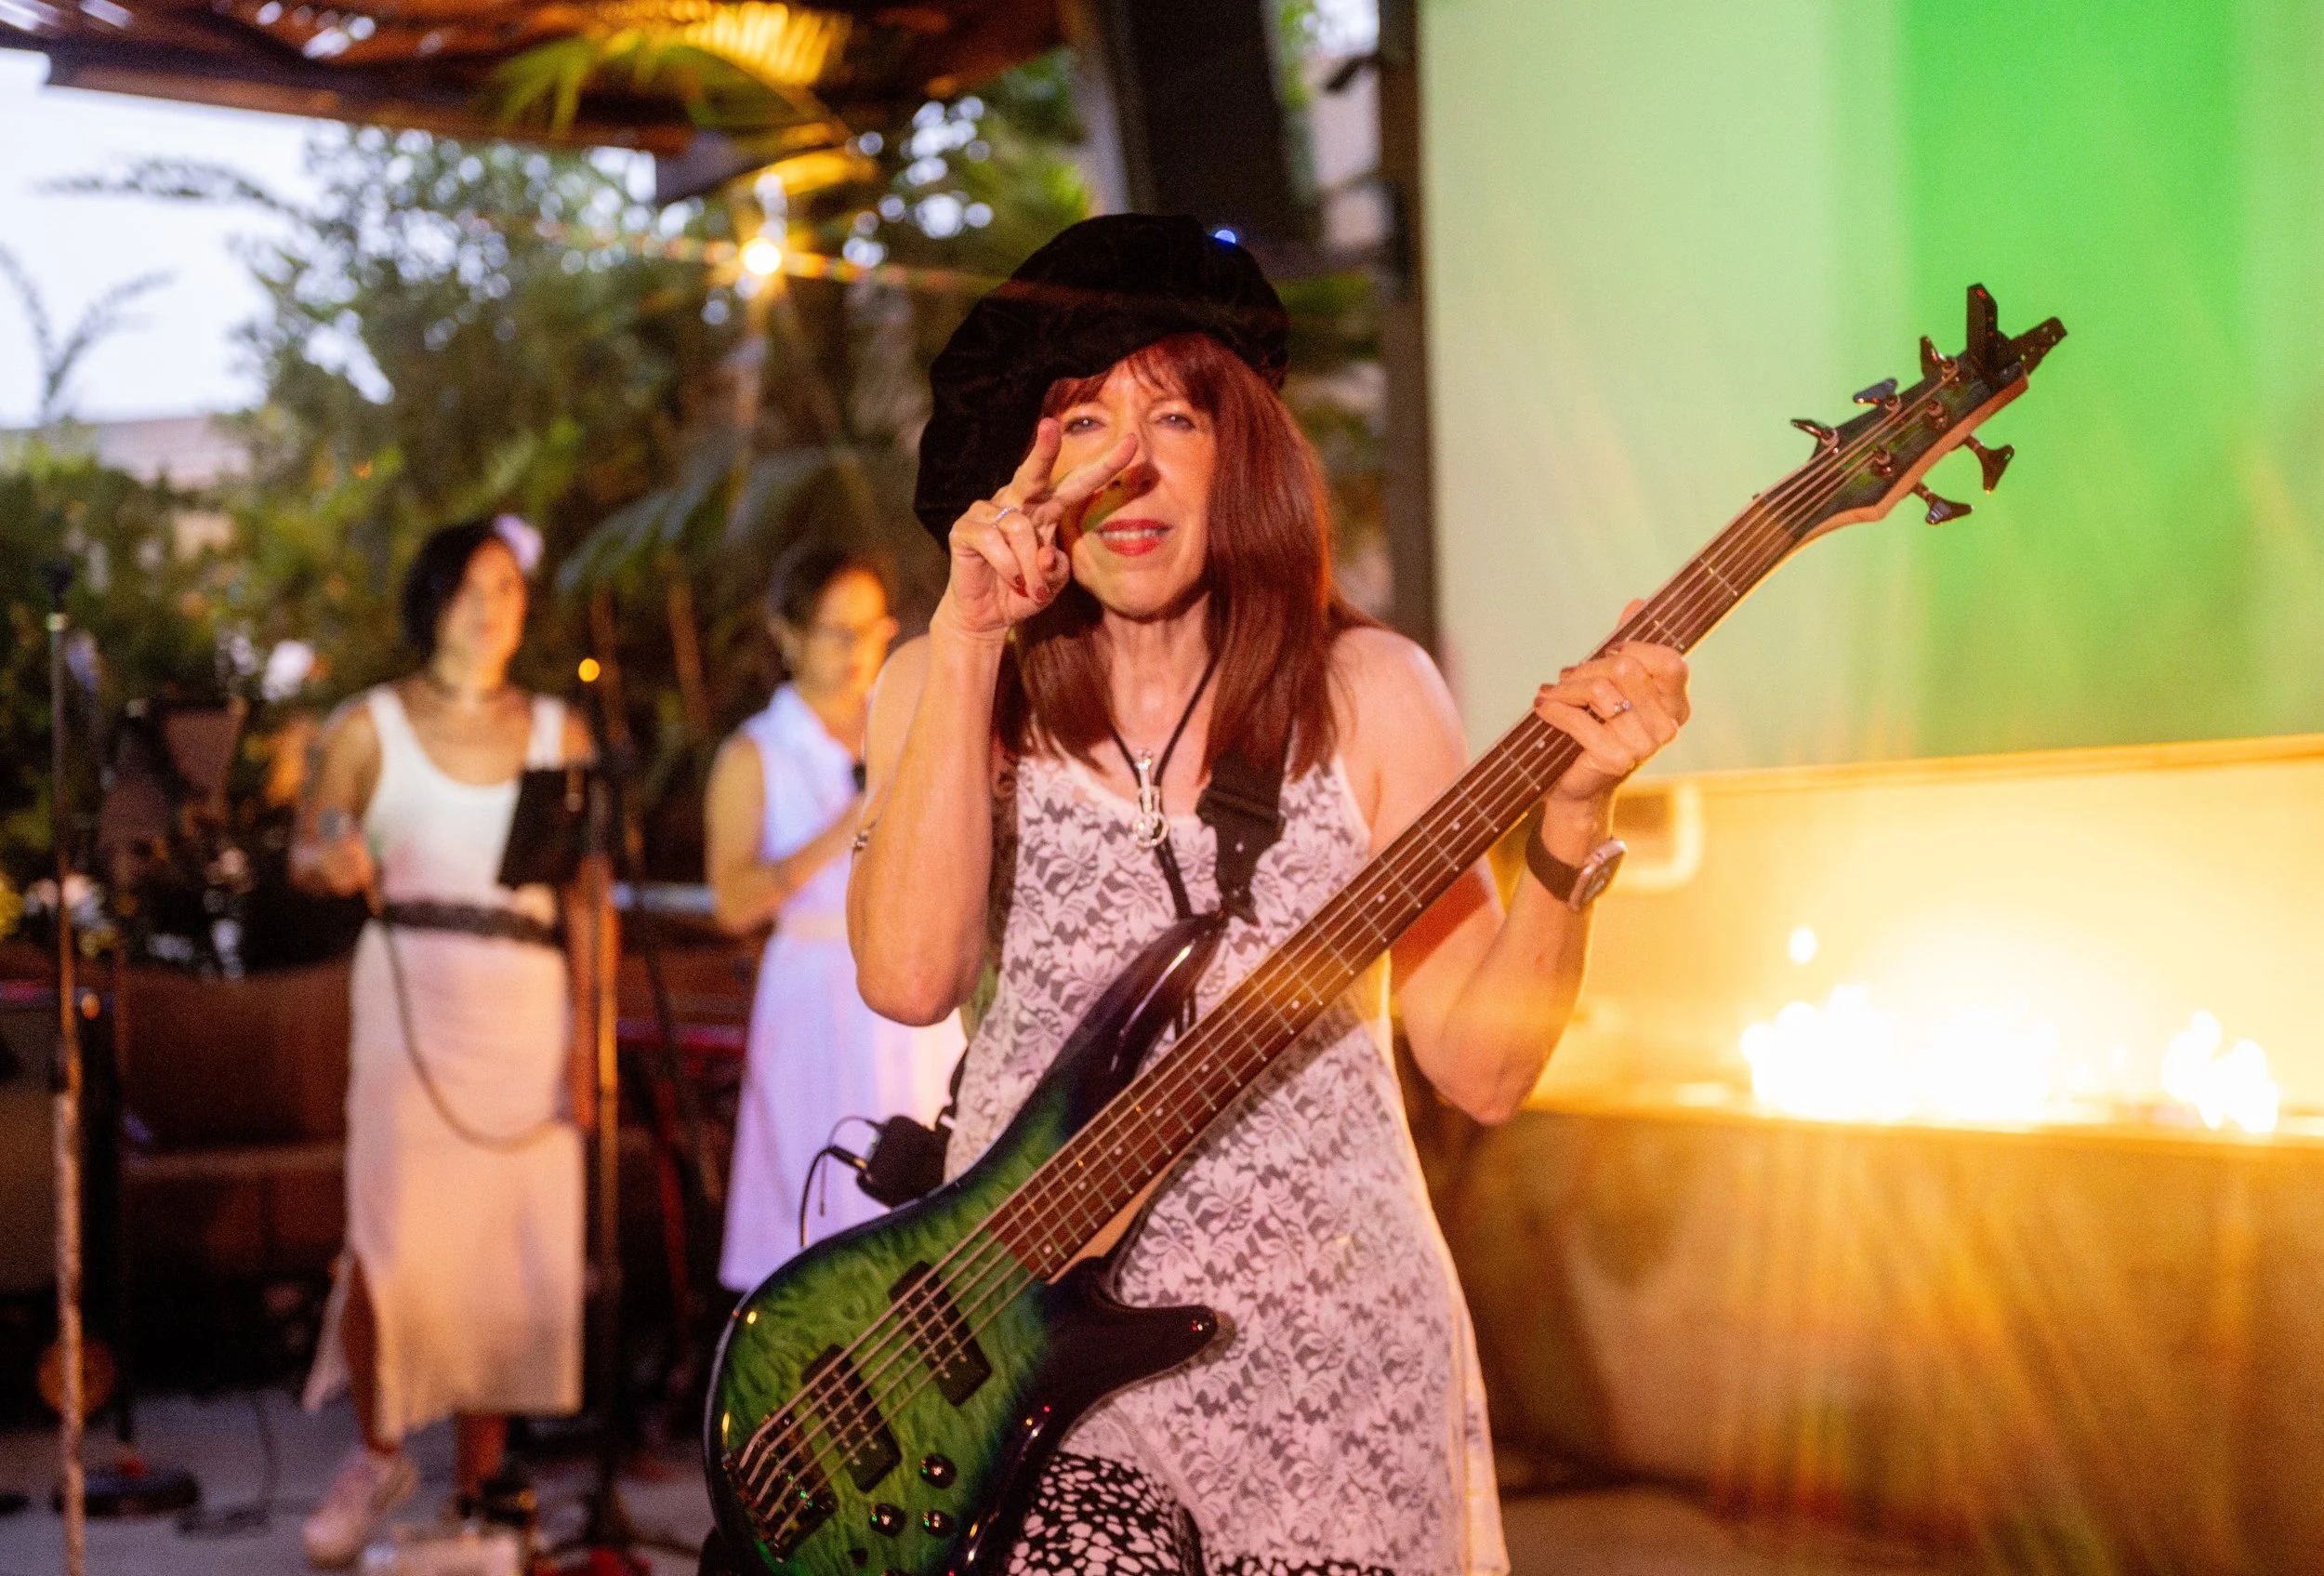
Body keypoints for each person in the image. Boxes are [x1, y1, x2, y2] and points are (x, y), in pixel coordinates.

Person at [849, 217, 1692, 1576]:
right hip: (1039, 1372)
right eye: (1083, 420)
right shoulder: (941, 685)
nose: (1127, 463)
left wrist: (1571, 826)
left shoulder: (1370, 692)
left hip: (1334, 1368)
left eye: (1175, 417)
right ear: (1027, 466)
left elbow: (1482, 1068)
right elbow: (905, 977)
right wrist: (965, 644)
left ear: (1240, 451)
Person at [291, 517, 593, 1568]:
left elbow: (587, 898)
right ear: (432, 600)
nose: (491, 606)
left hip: (527, 1000)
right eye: (470, 586)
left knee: (502, 1254)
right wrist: (332, 855)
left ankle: (479, 1490)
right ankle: (378, 1453)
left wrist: (589, 1046)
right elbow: (312, 841)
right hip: (410, 988)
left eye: (507, 587)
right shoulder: (367, 723)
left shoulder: (559, 729)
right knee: (391, 1237)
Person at [703, 542, 963, 1291]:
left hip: (912, 981)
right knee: (819, 1195)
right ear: (789, 634)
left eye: (872, 629)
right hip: (814, 990)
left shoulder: (910, 724)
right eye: (836, 631)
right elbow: (732, 900)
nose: (858, 650)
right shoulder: (757, 752)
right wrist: (850, 822)